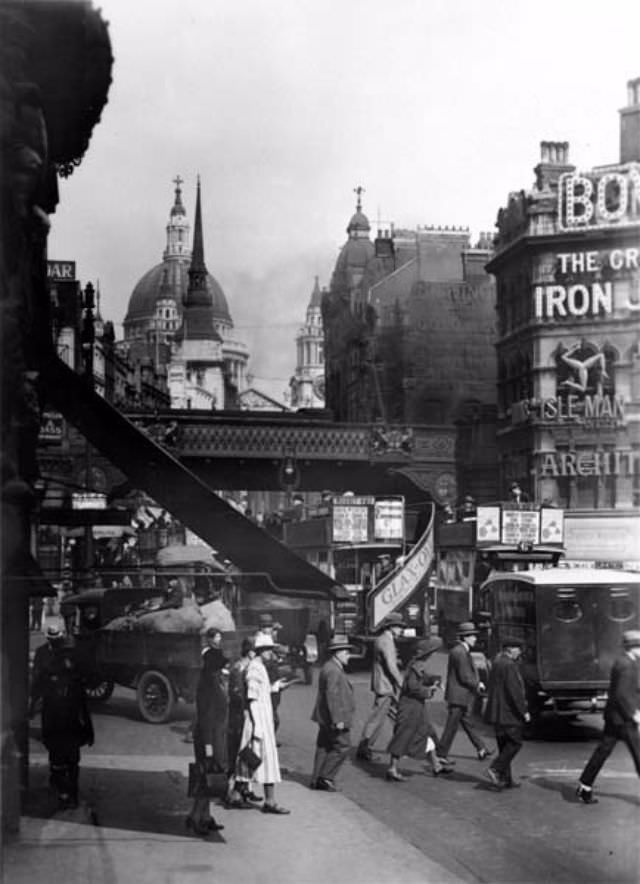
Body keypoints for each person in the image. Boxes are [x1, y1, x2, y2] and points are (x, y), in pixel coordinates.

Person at [29, 625, 94, 809]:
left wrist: (33, 705)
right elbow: (37, 686)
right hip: (63, 719)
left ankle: (68, 793)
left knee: (65, 758)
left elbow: (37, 687)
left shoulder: (60, 668)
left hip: (63, 720)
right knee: (65, 758)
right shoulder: (53, 665)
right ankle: (67, 792)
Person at [576, 629, 640, 805]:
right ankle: (584, 786)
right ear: (635, 647)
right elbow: (622, 694)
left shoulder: (630, 661)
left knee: (603, 751)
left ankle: (584, 786)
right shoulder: (627, 664)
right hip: (624, 719)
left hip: (614, 718)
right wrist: (635, 714)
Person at [234, 635, 289, 814]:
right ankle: (267, 801)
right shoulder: (255, 669)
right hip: (258, 720)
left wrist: (277, 687)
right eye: (268, 649)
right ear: (260, 651)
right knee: (257, 759)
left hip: (261, 719)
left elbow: (262, 691)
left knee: (253, 760)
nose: (271, 653)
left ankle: (237, 794)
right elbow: (252, 697)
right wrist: (258, 726)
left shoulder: (259, 667)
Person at [386, 636, 453, 780]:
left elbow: (423, 678)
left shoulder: (417, 664)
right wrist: (429, 690)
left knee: (427, 732)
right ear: (426, 653)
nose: (433, 654)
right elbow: (412, 687)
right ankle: (392, 768)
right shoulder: (417, 665)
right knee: (403, 736)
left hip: (416, 707)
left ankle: (436, 765)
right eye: (432, 652)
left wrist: (434, 680)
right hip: (410, 708)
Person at [186, 628, 227, 836]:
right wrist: (210, 746)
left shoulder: (213, 682)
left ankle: (206, 816)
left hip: (212, 736)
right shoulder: (208, 686)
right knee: (206, 777)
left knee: (209, 777)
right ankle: (196, 817)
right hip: (207, 738)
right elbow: (206, 716)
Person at [438, 621, 491, 764]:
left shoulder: (461, 650)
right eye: (472, 636)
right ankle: (440, 755)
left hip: (460, 695)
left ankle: (481, 748)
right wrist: (477, 684)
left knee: (467, 723)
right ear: (465, 637)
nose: (475, 639)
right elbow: (464, 676)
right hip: (458, 695)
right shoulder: (460, 652)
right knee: (451, 727)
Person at [356, 612, 405, 761]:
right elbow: (391, 666)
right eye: (399, 627)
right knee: (377, 718)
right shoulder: (386, 641)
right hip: (385, 686)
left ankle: (400, 746)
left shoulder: (384, 639)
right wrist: (401, 682)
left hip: (386, 685)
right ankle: (364, 747)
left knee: (394, 716)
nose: (401, 630)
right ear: (391, 627)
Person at [483, 637, 530, 790]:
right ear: (511, 649)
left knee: (503, 744)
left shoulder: (497, 661)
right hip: (508, 712)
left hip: (497, 711)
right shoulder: (509, 665)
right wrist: (523, 711)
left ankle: (504, 780)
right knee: (515, 743)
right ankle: (496, 768)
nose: (520, 652)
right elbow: (514, 691)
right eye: (518, 649)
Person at [310, 635, 355, 792]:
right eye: (346, 652)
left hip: (324, 717)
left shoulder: (329, 667)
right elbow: (332, 697)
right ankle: (325, 777)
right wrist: (338, 720)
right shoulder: (334, 671)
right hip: (333, 718)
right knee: (343, 746)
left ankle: (316, 779)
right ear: (338, 653)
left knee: (324, 746)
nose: (349, 655)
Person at [225, 637, 261, 807]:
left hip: (244, 715)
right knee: (237, 753)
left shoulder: (246, 667)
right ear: (251, 652)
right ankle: (233, 794)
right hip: (239, 717)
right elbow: (238, 695)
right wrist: (246, 711)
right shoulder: (239, 669)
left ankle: (244, 788)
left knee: (245, 752)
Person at [254, 612, 284, 734]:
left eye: (270, 626)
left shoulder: (270, 637)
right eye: (266, 626)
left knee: (273, 709)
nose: (269, 629)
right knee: (270, 712)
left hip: (273, 680)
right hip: (267, 681)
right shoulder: (260, 639)